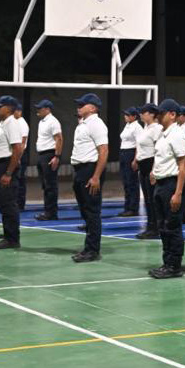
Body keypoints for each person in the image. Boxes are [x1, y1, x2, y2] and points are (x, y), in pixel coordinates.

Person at [148, 99, 185, 279]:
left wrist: (178, 193)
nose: (158, 116)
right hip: (161, 184)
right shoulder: (164, 134)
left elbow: (183, 164)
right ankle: (167, 262)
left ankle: (174, 265)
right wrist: (154, 171)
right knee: (163, 226)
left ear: (172, 114)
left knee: (172, 226)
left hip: (172, 185)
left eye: (162, 113)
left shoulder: (178, 134)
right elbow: (162, 158)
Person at [69, 93, 109, 263]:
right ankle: (88, 247)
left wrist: (96, 177)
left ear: (92, 108)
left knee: (92, 211)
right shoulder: (84, 124)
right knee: (85, 210)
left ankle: (92, 250)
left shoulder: (97, 124)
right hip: (81, 170)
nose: (79, 106)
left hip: (90, 170)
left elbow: (104, 150)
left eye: (82, 104)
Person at [0, 96, 24, 250]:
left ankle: (12, 239)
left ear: (9, 108)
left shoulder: (12, 124)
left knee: (8, 203)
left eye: (0, 107)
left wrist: (9, 173)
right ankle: (8, 236)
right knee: (3, 203)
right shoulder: (4, 124)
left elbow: (17, 148)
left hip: (6, 165)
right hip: (1, 165)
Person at [134, 104, 162, 240]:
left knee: (152, 198)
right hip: (143, 164)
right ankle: (150, 226)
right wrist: (136, 159)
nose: (141, 114)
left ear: (152, 114)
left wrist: (154, 169)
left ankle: (155, 227)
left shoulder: (157, 129)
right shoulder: (145, 128)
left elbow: (158, 150)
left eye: (143, 112)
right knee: (147, 198)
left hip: (151, 164)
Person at [33, 99, 62, 221]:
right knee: (45, 185)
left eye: (40, 108)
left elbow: (59, 139)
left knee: (50, 185)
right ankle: (48, 210)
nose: (38, 110)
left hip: (49, 154)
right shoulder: (42, 122)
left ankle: (51, 213)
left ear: (47, 109)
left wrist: (57, 156)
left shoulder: (53, 121)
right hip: (42, 155)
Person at [118, 107, 143, 217]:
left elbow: (139, 144)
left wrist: (135, 159)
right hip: (124, 153)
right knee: (126, 182)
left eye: (128, 115)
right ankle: (127, 206)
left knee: (132, 182)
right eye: (125, 114)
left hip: (131, 153)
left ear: (134, 116)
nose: (125, 116)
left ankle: (133, 208)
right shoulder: (127, 125)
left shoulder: (137, 127)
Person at [13, 104, 29, 211]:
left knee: (20, 180)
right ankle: (16, 202)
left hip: (21, 154)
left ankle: (20, 204)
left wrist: (18, 157)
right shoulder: (15, 122)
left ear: (19, 112)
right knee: (16, 179)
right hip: (17, 154)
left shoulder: (22, 124)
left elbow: (23, 142)